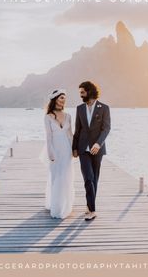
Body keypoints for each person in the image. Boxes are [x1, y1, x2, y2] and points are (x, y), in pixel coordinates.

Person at [72, 81, 111, 221]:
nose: (80, 95)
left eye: (82, 92)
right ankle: (92, 210)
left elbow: (106, 129)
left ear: (89, 91)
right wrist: (74, 148)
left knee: (94, 179)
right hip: (83, 149)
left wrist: (98, 144)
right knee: (88, 178)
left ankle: (89, 205)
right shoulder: (80, 108)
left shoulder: (104, 108)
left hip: (97, 150)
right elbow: (78, 129)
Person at [44, 89, 74, 219]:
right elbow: (48, 136)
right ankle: (56, 205)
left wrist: (74, 149)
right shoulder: (48, 116)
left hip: (67, 149)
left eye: (64, 98)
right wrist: (50, 152)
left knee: (66, 175)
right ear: (55, 99)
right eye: (61, 97)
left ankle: (65, 205)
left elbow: (70, 134)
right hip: (55, 149)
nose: (63, 100)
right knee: (56, 175)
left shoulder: (68, 116)